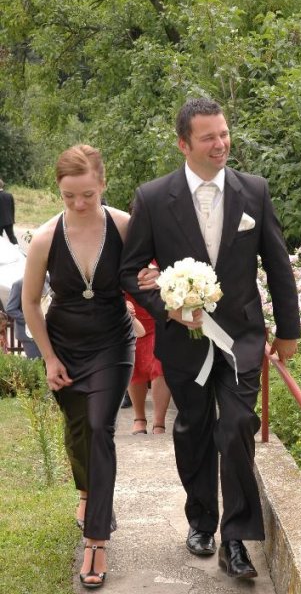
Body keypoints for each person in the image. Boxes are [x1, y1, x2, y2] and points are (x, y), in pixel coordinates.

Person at [120, 98, 301, 579]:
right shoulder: (153, 198)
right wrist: (168, 306)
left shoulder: (254, 191)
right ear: (184, 144)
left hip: (241, 337)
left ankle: (236, 539)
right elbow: (130, 270)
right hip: (183, 343)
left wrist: (289, 329)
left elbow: (277, 264)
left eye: (223, 133)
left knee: (237, 425)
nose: (220, 144)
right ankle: (201, 520)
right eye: (208, 137)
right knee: (193, 428)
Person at [22, 144, 157, 589]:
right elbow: (30, 303)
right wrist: (49, 358)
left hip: (113, 342)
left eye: (87, 195)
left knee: (100, 428)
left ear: (103, 184)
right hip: (64, 345)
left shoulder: (124, 226)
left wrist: (152, 278)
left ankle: (96, 539)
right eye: (69, 196)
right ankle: (87, 491)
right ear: (58, 192)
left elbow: (145, 270)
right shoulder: (45, 238)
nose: (79, 204)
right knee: (78, 431)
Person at [124, 290, 171, 435]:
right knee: (135, 364)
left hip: (158, 307)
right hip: (131, 310)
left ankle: (159, 423)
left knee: (160, 364)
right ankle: (139, 418)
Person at [6, 277, 44, 358]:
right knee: (36, 363)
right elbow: (11, 309)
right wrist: (32, 320)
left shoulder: (48, 280)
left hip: (47, 333)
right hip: (29, 336)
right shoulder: (19, 284)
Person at [0, 178, 18, 245]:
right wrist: (12, 220)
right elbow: (12, 209)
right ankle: (17, 249)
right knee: (12, 237)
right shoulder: (9, 195)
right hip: (9, 221)